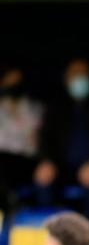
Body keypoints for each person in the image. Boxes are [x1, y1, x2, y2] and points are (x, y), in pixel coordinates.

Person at [31, 59, 89, 229]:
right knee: (43, 181)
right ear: (66, 79)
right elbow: (45, 137)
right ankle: (50, 236)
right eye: (75, 74)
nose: (80, 79)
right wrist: (46, 161)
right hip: (60, 165)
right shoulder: (56, 106)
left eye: (84, 74)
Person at [0, 67, 44, 201]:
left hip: (26, 161)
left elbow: (34, 141)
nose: (13, 86)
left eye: (17, 82)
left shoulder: (34, 108)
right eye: (10, 82)